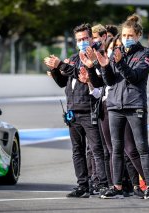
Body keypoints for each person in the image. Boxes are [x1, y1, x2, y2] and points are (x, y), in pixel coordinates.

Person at [95, 14, 149, 199]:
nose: (126, 39)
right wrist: (105, 66)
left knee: (141, 147)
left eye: (130, 36)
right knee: (116, 147)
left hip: (135, 105)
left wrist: (120, 62)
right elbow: (110, 81)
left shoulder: (145, 54)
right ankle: (117, 186)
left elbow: (135, 77)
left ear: (138, 36)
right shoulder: (116, 53)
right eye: (124, 36)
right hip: (114, 105)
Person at [43, 23, 107, 198]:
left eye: (85, 38)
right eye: (79, 39)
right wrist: (55, 69)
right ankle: (82, 186)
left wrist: (61, 66)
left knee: (96, 150)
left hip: (89, 110)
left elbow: (80, 75)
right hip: (72, 112)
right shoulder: (72, 58)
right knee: (77, 151)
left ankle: (102, 184)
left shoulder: (95, 57)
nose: (83, 42)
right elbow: (63, 83)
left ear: (91, 38)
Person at [80, 32, 146, 199]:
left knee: (131, 149)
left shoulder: (121, 64)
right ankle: (115, 185)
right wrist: (90, 68)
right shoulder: (104, 65)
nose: (112, 51)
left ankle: (145, 183)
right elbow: (98, 85)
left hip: (125, 106)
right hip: (107, 107)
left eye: (115, 48)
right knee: (111, 150)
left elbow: (129, 79)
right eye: (109, 49)